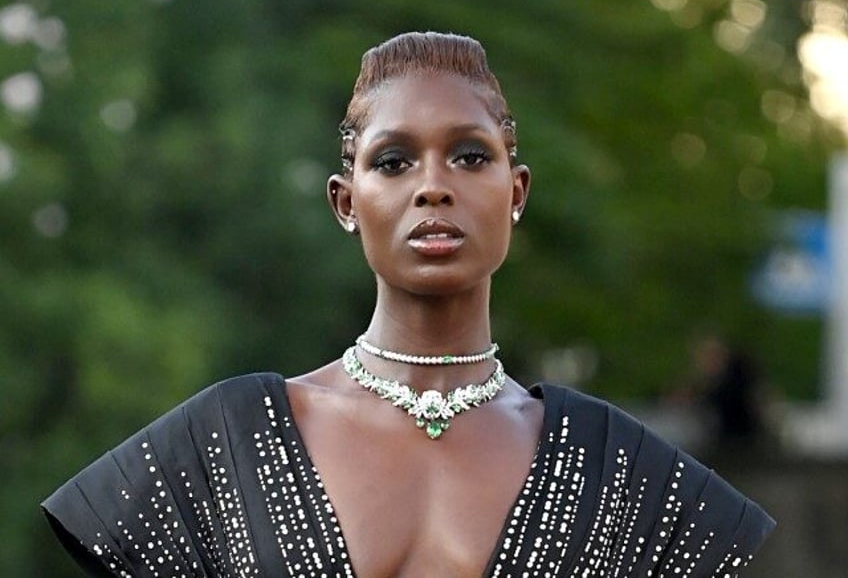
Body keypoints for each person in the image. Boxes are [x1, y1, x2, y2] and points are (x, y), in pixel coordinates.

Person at [42, 32, 775, 577]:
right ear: (346, 202)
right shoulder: (222, 443)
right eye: (393, 161)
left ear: (515, 192)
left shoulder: (616, 472)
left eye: (469, 156)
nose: (433, 187)